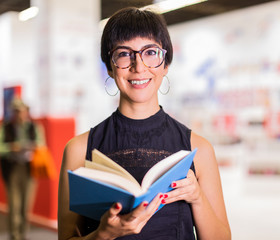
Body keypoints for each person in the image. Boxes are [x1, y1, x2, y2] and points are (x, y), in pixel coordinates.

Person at [58, 7, 231, 240]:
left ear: (166, 63)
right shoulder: (79, 150)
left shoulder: (198, 149)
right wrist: (103, 235)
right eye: (124, 54)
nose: (138, 66)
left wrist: (197, 197)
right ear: (109, 67)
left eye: (150, 52)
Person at [0, 98, 45, 240]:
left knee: (26, 204)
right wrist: (12, 147)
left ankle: (23, 234)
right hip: (12, 168)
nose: (19, 114)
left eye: (21, 111)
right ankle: (15, 235)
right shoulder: (5, 128)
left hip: (29, 168)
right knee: (14, 205)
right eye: (16, 112)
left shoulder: (34, 127)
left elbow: (41, 145)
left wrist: (32, 146)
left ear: (26, 112)